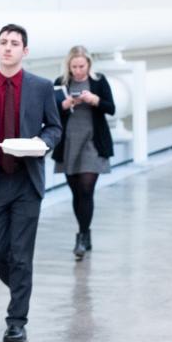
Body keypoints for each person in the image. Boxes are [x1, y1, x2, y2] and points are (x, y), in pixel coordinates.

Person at [0, 24, 62, 342]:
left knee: (21, 256)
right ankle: (22, 288)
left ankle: (16, 320)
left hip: (26, 181)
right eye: (3, 42)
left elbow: (55, 127)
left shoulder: (41, 87)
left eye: (15, 43)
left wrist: (42, 142)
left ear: (25, 51)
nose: (8, 48)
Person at [52, 45, 116, 259]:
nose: (78, 70)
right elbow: (50, 113)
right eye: (74, 67)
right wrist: (65, 104)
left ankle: (82, 236)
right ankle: (84, 232)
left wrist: (94, 99)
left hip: (93, 141)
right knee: (77, 191)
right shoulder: (60, 84)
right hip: (69, 142)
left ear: (89, 64)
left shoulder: (98, 81)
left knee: (87, 188)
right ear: (68, 67)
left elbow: (111, 107)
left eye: (82, 66)